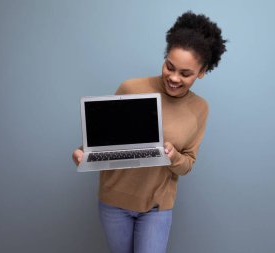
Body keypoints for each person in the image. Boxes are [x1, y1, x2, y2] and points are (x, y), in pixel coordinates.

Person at [72, 11, 226, 253]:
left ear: (202, 72)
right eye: (169, 66)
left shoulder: (199, 108)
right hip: (114, 202)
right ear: (165, 58)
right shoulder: (131, 88)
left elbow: (187, 165)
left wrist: (174, 156)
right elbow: (106, 138)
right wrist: (83, 154)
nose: (174, 78)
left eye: (185, 74)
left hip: (157, 206)